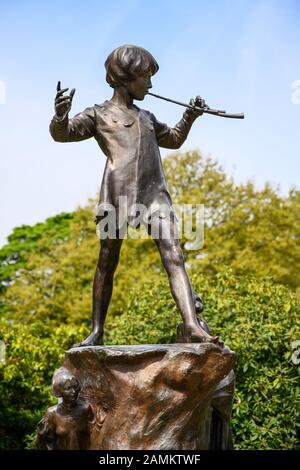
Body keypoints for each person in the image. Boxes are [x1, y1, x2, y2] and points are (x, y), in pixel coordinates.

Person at [50, 44, 218, 346]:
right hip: (119, 195)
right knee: (107, 260)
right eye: (146, 77)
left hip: (155, 195)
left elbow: (175, 139)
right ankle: (97, 331)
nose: (151, 84)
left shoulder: (148, 118)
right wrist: (60, 117)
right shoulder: (98, 115)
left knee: (174, 254)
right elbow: (63, 134)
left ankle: (191, 324)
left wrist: (190, 116)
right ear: (126, 77)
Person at [36, 367, 94, 450]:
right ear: (60, 391)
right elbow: (48, 443)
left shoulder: (85, 409)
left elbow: (92, 437)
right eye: (68, 388)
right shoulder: (52, 414)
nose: (73, 392)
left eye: (75, 387)